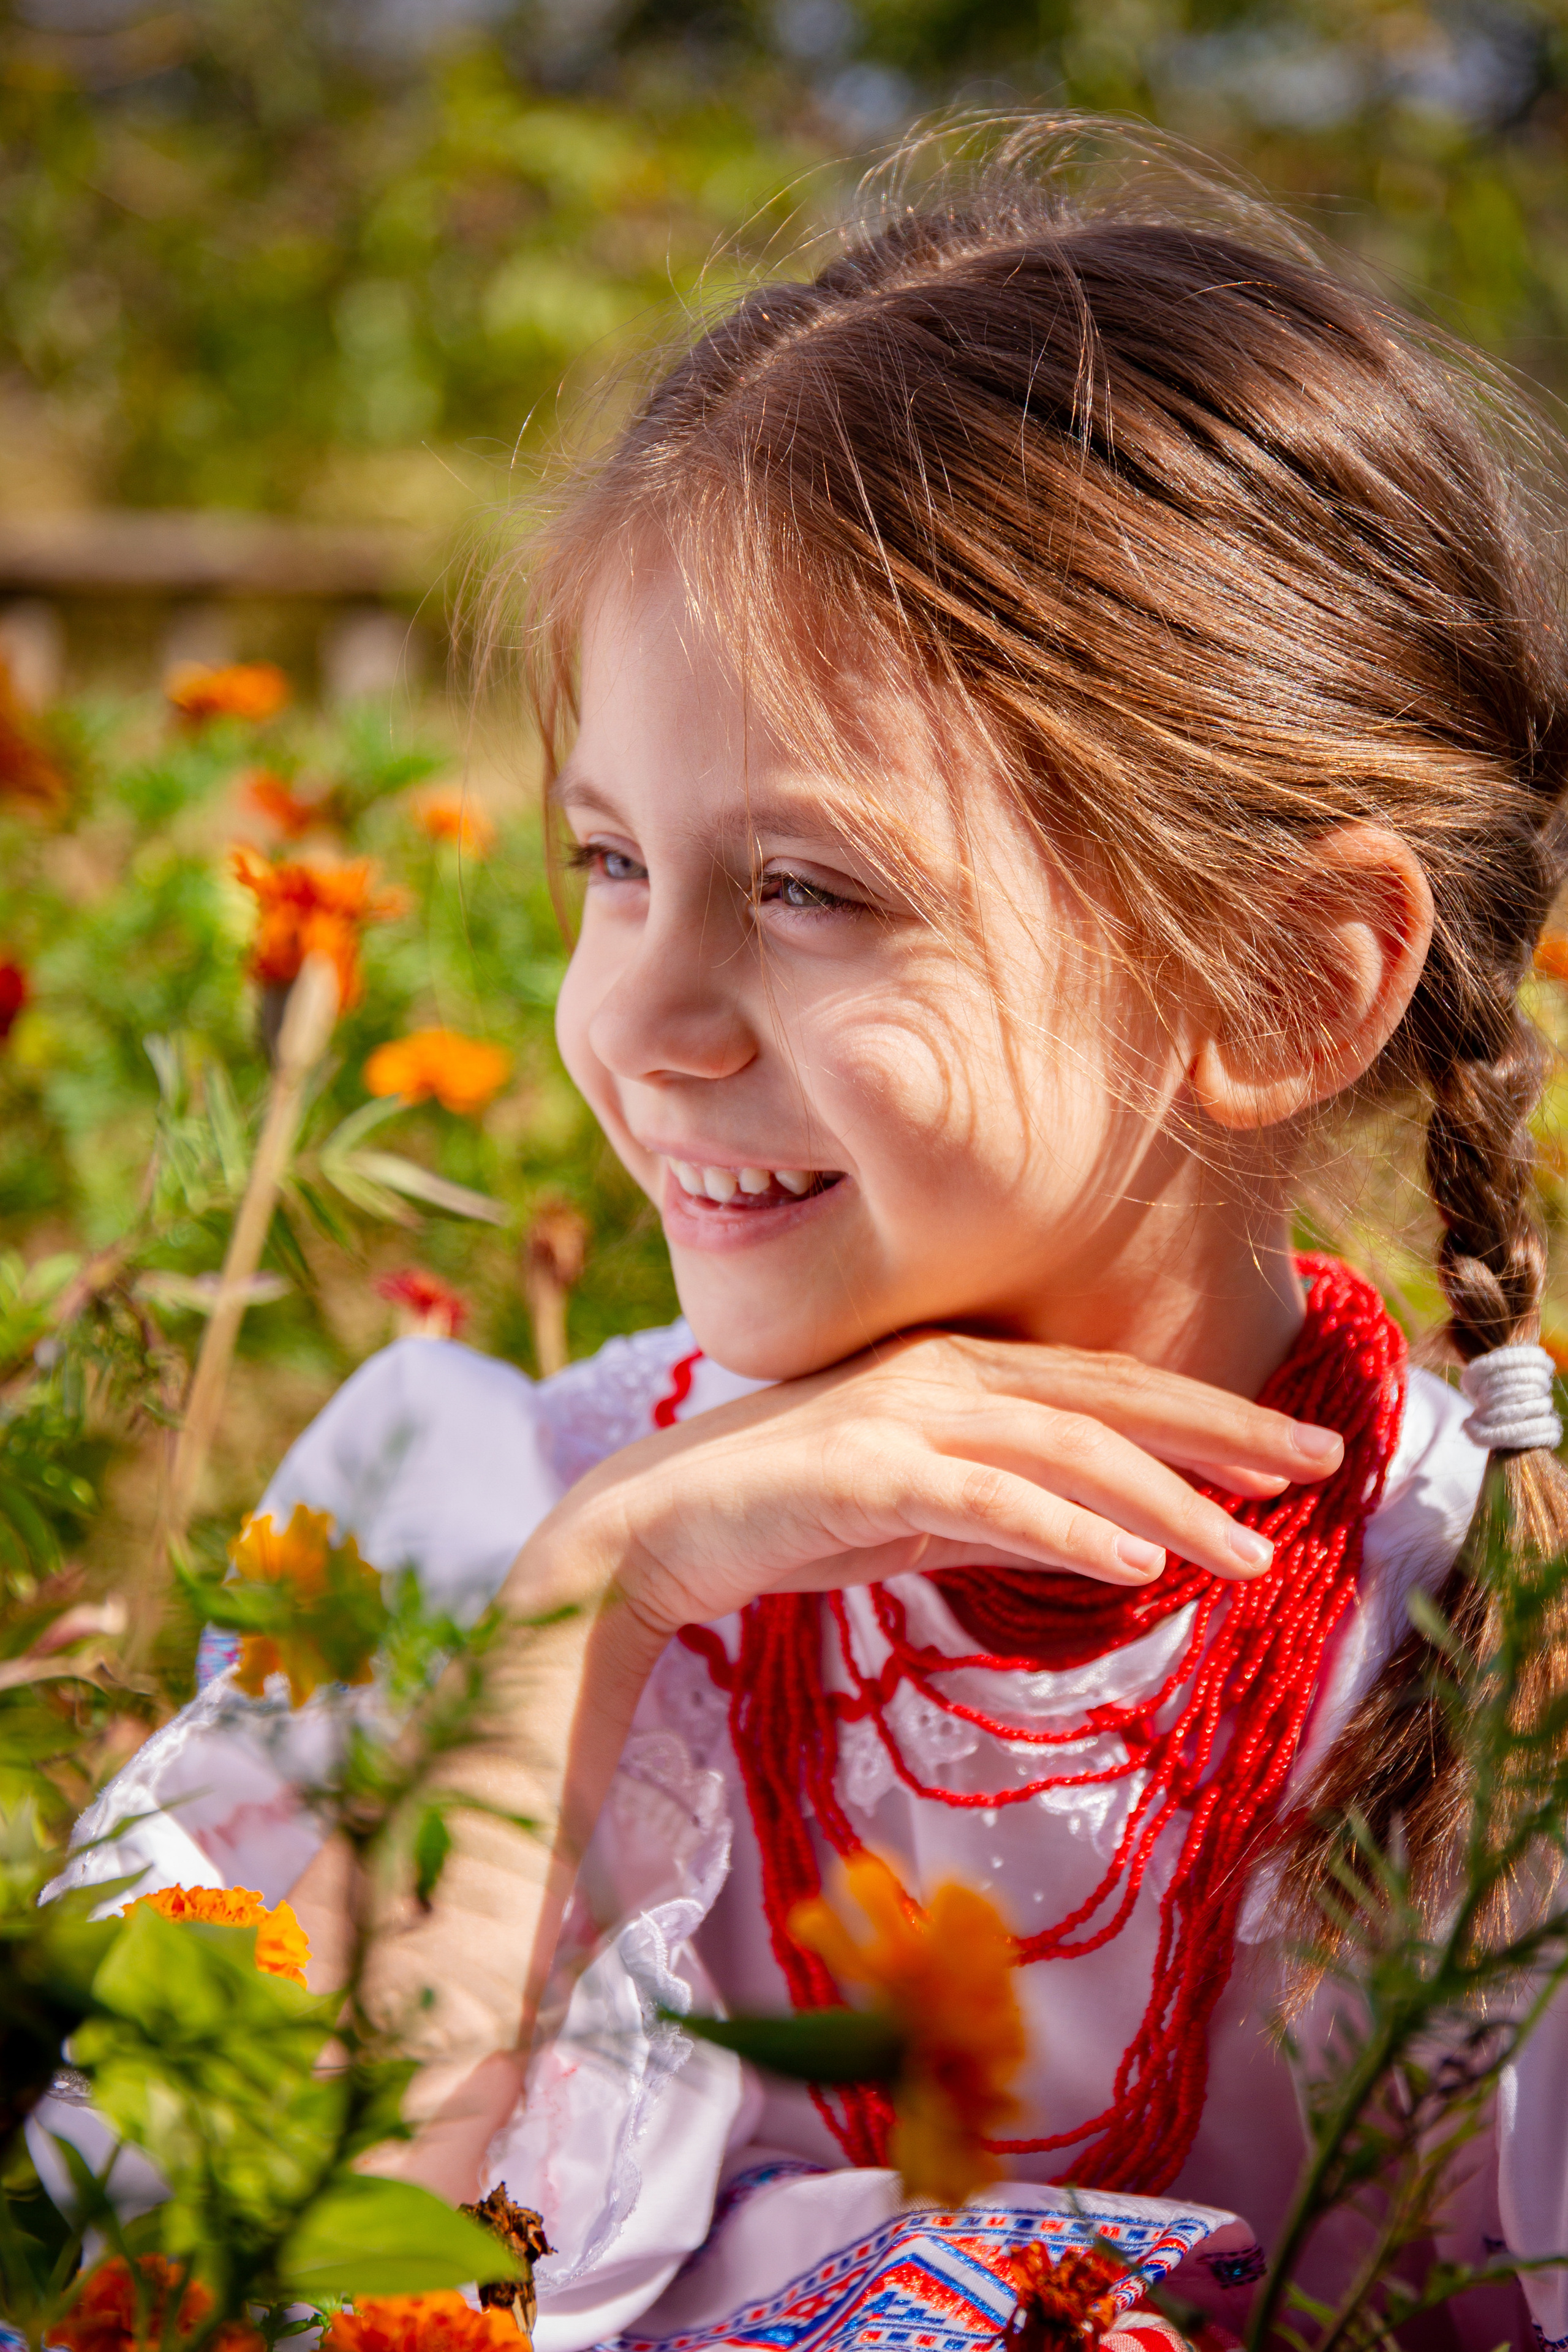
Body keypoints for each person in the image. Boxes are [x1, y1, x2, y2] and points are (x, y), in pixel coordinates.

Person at [39, 116, 1568, 2352]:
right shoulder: (493, 1524)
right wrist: (586, 1614)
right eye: (611, 864)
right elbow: (210, 2276)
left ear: (1279, 982)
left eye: (806, 889)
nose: (637, 1022)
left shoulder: (1485, 1637)